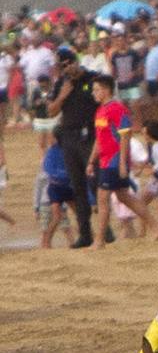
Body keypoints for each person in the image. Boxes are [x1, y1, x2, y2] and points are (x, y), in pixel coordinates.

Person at [89, 74, 154, 248]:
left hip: (114, 160)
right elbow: (99, 138)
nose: (94, 93)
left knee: (103, 198)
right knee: (124, 196)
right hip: (105, 160)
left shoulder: (117, 108)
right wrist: (91, 161)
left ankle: (99, 240)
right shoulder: (100, 111)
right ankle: (156, 226)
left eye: (96, 90)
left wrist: (122, 164)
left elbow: (125, 136)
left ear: (106, 90)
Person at [49, 46, 100, 247]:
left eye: (68, 64)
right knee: (77, 186)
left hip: (89, 135)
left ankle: (106, 229)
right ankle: (85, 233)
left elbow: (104, 99)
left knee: (95, 182)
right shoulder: (61, 83)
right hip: (69, 137)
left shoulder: (92, 79)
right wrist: (63, 95)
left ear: (75, 61)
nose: (66, 69)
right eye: (62, 67)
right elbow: (51, 111)